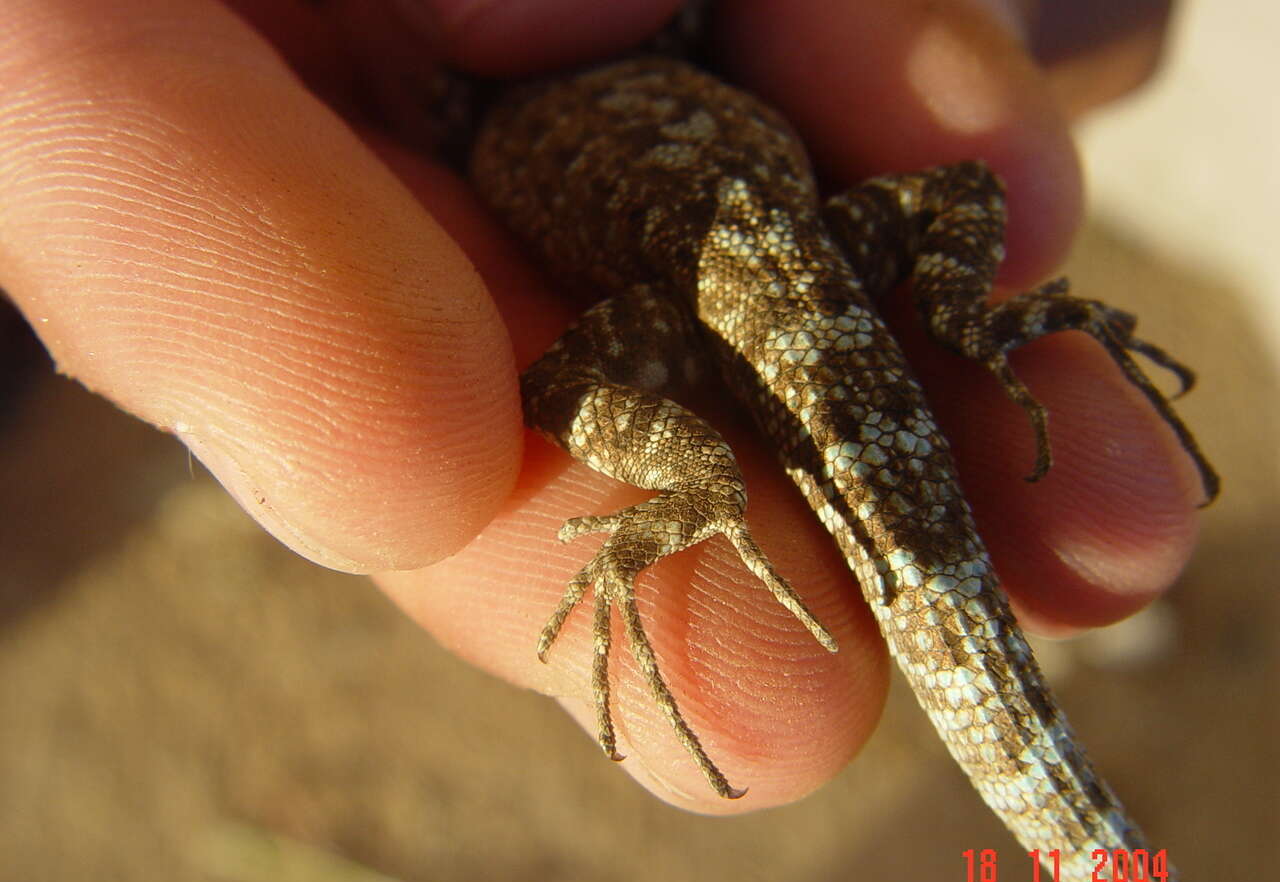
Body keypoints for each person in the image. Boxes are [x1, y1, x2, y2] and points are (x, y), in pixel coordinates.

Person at [0, 0, 1199, 811]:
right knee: (973, 192)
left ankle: (697, 490)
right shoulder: (614, 59)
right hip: (779, 242)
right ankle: (962, 323)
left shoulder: (478, 104)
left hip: (701, 275)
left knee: (549, 392)